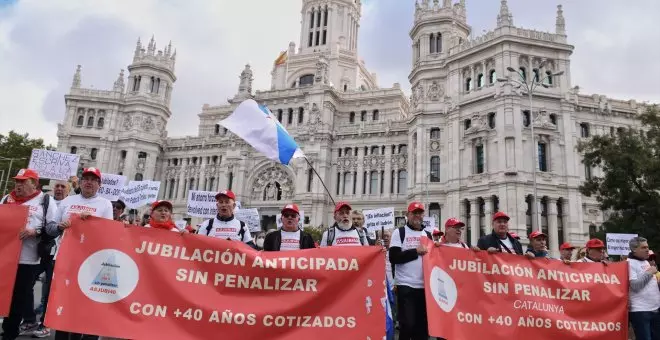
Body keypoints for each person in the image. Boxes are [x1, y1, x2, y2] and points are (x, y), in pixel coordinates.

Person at [47, 167, 113, 340]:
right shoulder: (68, 201)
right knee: (61, 300)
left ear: (99, 184)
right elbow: (51, 228)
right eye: (86, 179)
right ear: (80, 182)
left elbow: (108, 234)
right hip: (64, 257)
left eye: (93, 179)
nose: (89, 182)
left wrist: (92, 223)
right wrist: (60, 226)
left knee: (81, 302)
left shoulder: (105, 204)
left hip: (89, 262)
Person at [0, 169, 57, 340]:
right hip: (5, 257)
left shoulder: (45, 200)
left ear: (35, 184)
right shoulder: (6, 199)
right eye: (17, 181)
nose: (18, 185)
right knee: (3, 296)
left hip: (28, 259)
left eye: (23, 182)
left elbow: (52, 229)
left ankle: (10, 333)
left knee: (18, 299)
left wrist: (36, 231)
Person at [388, 202, 434, 340]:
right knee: (407, 324)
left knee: (422, 327)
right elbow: (393, 257)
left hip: (424, 287)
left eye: (420, 213)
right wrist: (415, 251)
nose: (417, 216)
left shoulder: (428, 234)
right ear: (408, 215)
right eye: (414, 213)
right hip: (406, 285)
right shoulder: (399, 232)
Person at [626, 237, 660, 340]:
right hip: (640, 311)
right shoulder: (629, 263)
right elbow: (635, 286)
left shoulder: (645, 262)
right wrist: (650, 272)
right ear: (634, 249)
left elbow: (649, 283)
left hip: (655, 308)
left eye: (647, 247)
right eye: (643, 247)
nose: (647, 250)